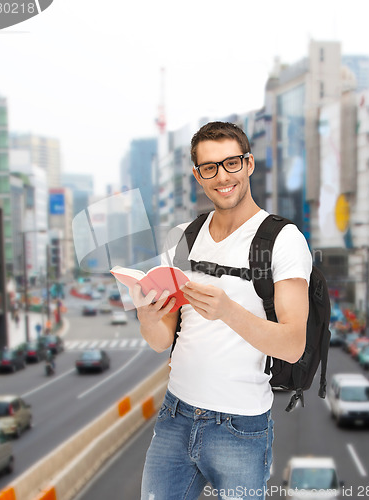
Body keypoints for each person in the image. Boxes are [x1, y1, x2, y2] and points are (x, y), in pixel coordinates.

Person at [132, 121, 312, 500]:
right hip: (174, 415)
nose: (222, 176)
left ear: (248, 164)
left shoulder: (283, 240)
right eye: (209, 168)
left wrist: (228, 310)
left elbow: (294, 344)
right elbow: (162, 338)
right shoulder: (183, 238)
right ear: (199, 176)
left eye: (231, 163)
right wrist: (148, 318)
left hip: (240, 426)